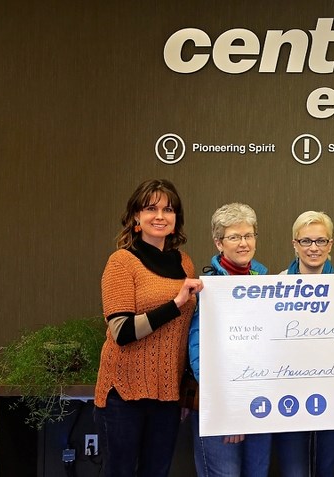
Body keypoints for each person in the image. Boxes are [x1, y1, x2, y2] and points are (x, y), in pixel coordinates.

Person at [94, 179, 203, 477]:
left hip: (166, 395)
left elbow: (184, 334)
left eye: (168, 209)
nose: (160, 215)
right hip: (123, 393)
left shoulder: (184, 263)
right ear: (135, 218)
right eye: (151, 208)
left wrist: (184, 388)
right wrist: (175, 303)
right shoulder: (122, 262)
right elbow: (122, 331)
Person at [187, 203, 272, 477]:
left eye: (249, 235)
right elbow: (200, 354)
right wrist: (231, 409)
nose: (244, 243)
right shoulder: (206, 288)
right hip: (220, 406)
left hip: (260, 405)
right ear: (218, 243)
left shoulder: (268, 284)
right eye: (234, 237)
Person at [273, 211, 334, 477]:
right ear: (294, 244)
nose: (313, 248)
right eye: (306, 241)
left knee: (328, 468)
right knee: (294, 471)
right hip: (287, 397)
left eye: (320, 241)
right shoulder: (275, 286)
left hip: (332, 395)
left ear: (330, 244)